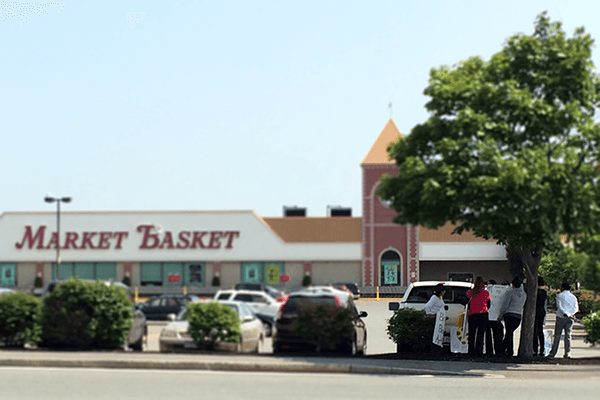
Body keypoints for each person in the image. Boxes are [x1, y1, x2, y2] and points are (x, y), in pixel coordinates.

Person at [548, 282, 579, 359]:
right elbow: (576, 308)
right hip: (570, 318)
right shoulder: (573, 297)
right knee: (568, 336)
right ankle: (567, 353)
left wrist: (566, 313)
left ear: (562, 288)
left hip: (561, 317)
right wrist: (571, 314)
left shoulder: (559, 296)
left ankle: (552, 353)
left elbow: (559, 307)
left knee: (557, 336)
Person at [498, 276, 527, 357]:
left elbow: (505, 305)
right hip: (518, 316)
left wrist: (501, 314)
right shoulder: (524, 294)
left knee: (509, 333)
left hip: (509, 315)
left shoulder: (510, 293)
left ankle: (507, 350)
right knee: (509, 333)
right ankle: (504, 349)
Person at [466, 276, 491, 356]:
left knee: (472, 334)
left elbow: (467, 301)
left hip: (473, 314)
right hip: (483, 314)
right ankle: (478, 351)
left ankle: (471, 351)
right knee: (480, 334)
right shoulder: (486, 293)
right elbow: (488, 304)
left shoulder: (470, 292)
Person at [487, 279, 505, 356]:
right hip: (497, 317)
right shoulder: (501, 294)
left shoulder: (487, 292)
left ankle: (490, 351)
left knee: (489, 336)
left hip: (489, 316)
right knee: (497, 335)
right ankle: (499, 351)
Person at [533, 276, 548, 356]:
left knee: (534, 331)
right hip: (542, 311)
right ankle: (542, 349)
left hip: (535, 312)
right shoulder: (544, 292)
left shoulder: (535, 292)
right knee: (540, 330)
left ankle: (535, 349)